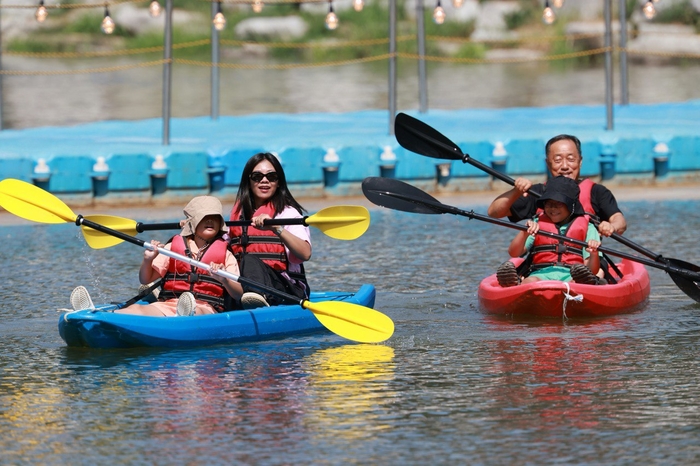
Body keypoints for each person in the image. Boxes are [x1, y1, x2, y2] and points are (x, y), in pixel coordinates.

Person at [70, 196, 244, 316]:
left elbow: (238, 294)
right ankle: (100, 315)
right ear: (193, 223)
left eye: (214, 218)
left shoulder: (225, 254)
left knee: (195, 312)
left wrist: (224, 279)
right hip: (169, 303)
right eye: (204, 218)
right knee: (138, 310)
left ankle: (184, 315)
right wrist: (148, 259)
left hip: (205, 307)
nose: (210, 221)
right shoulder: (172, 247)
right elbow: (145, 279)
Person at [487, 134, 626, 280]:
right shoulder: (539, 193)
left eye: (571, 159)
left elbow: (619, 221)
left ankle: (588, 284)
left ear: (580, 161)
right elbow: (494, 213)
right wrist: (516, 191)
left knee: (597, 273)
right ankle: (521, 283)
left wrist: (611, 227)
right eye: (558, 160)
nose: (565, 166)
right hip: (542, 267)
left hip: (585, 263)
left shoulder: (597, 192)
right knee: (528, 277)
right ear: (548, 163)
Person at [228, 152, 312, 309]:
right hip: (241, 287)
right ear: (249, 181)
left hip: (286, 291)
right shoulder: (238, 215)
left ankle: (258, 300)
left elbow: (305, 253)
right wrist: (196, 226)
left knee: (249, 260)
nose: (264, 181)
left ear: (279, 182)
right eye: (257, 176)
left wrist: (276, 228)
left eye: (271, 176)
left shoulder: (288, 214)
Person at [496, 175, 604, 287]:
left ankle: (582, 286)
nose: (553, 208)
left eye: (559, 203)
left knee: (576, 283)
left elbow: (592, 269)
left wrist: (594, 254)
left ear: (571, 205)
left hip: (572, 275)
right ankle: (516, 284)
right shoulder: (537, 223)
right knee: (529, 282)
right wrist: (524, 233)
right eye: (548, 203)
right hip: (541, 274)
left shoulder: (588, 227)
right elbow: (514, 253)